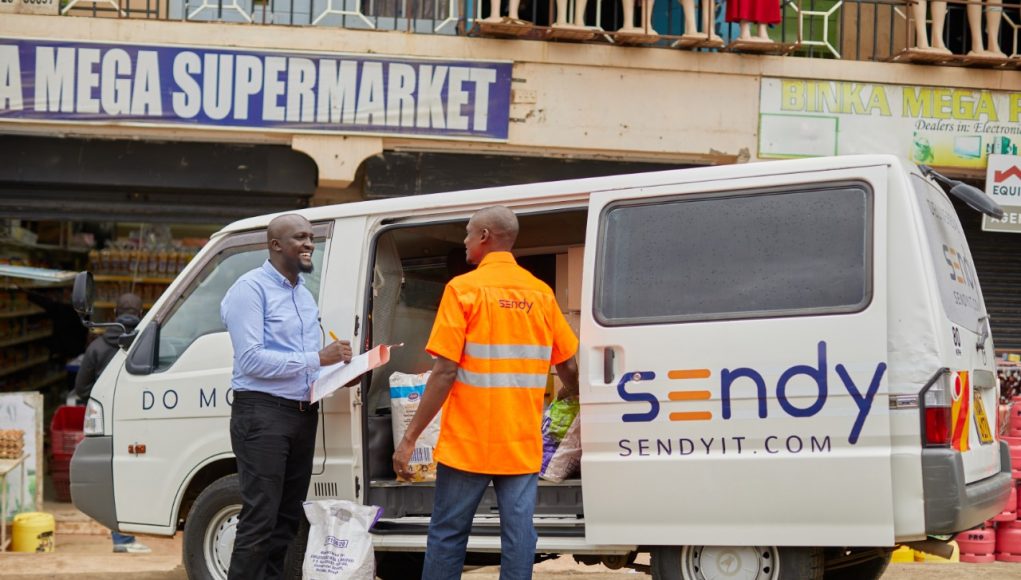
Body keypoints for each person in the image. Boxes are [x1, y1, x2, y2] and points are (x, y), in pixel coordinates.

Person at [392, 206, 580, 580]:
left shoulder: (463, 290)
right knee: (519, 536)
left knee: (448, 533)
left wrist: (409, 439)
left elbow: (444, 371)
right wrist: (570, 398)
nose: (464, 241)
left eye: (467, 233)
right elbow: (569, 367)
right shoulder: (541, 294)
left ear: (484, 236)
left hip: (469, 443)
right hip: (520, 442)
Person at [220, 214, 353, 580]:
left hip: (301, 413)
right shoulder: (250, 289)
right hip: (262, 414)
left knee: (287, 518)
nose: (309, 244)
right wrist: (318, 358)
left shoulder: (304, 296)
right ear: (275, 245)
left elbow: (305, 367)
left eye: (311, 237)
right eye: (299, 237)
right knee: (260, 518)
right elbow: (251, 359)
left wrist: (341, 374)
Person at [72, 292, 150, 554]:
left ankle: (122, 537)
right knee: (139, 473)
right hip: (142, 418)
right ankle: (130, 534)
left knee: (114, 475)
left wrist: (101, 399)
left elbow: (81, 388)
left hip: (109, 421)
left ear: (114, 313)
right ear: (141, 314)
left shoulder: (96, 347)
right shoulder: (147, 344)